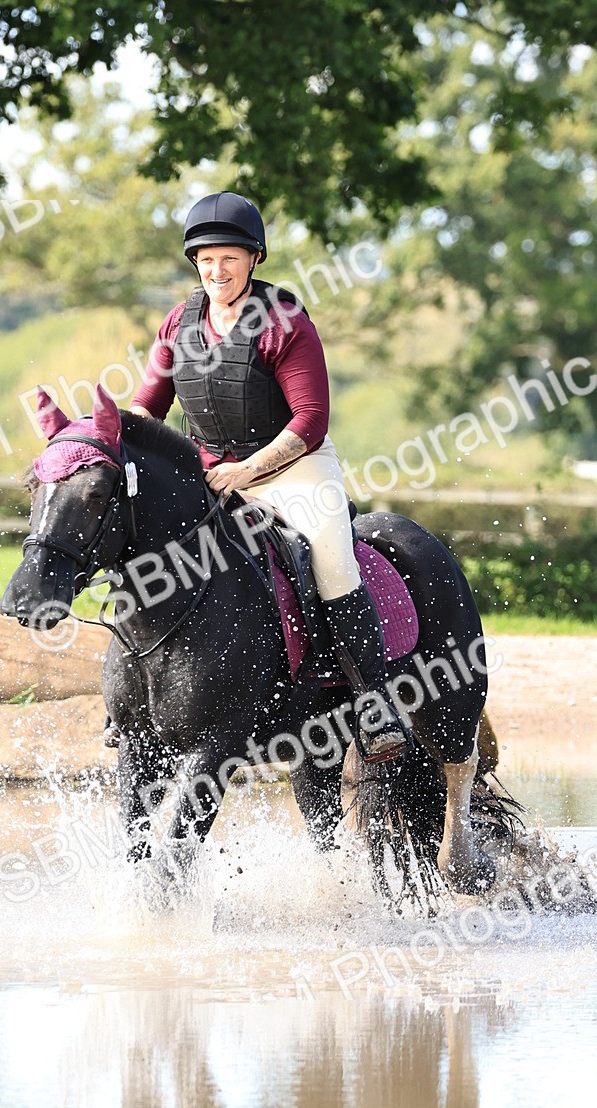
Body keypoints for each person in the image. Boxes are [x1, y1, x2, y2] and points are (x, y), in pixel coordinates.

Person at [129, 191, 408, 763]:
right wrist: (113, 442)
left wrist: (247, 470)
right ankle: (132, 702)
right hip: (211, 474)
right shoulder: (178, 324)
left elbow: (311, 419)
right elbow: (146, 409)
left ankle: (375, 705)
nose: (217, 271)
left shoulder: (284, 322)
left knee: (332, 558)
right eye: (206, 260)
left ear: (254, 258)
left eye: (229, 259)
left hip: (294, 468)